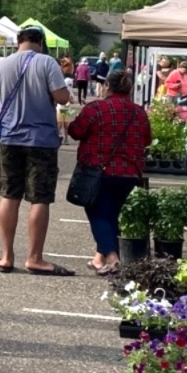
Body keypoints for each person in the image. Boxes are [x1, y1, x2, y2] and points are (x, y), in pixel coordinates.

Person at [0, 26, 76, 277]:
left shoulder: (0, 65)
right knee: (39, 198)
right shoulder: (47, 63)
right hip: (41, 139)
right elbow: (62, 98)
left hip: (9, 138)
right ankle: (34, 257)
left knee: (9, 195)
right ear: (41, 43)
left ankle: (6, 256)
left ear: (18, 42)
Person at [66, 68, 150, 274]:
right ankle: (99, 258)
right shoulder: (139, 112)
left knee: (98, 214)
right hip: (129, 173)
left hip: (99, 171)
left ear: (107, 86)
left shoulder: (96, 108)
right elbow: (147, 139)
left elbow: (75, 131)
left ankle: (113, 258)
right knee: (110, 213)